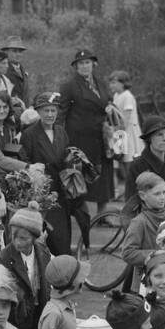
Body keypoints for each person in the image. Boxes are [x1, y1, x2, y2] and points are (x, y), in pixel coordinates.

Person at [19, 92, 75, 256]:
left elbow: (65, 156)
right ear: (38, 111)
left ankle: (64, 274)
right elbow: (25, 163)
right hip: (41, 195)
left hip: (61, 192)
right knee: (47, 239)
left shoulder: (61, 132)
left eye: (53, 110)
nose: (50, 114)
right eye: (46, 111)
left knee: (63, 236)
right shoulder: (29, 135)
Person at [58, 49, 115, 209]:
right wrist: (58, 137)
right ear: (76, 66)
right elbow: (61, 113)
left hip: (102, 137)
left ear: (93, 64)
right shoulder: (69, 86)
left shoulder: (101, 83)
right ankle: (80, 212)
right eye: (81, 63)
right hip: (80, 140)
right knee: (81, 177)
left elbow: (109, 102)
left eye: (87, 62)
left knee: (103, 175)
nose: (84, 66)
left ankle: (102, 213)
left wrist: (111, 108)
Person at [0, 208, 50, 329]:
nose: (17, 242)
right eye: (14, 237)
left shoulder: (43, 252)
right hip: (17, 318)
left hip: (39, 313)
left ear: (34, 237)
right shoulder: (4, 258)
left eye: (23, 238)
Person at [120, 172, 165, 289]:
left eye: (164, 192)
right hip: (145, 284)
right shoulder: (139, 222)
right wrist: (155, 254)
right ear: (142, 195)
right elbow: (127, 253)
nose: (162, 197)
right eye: (157, 194)